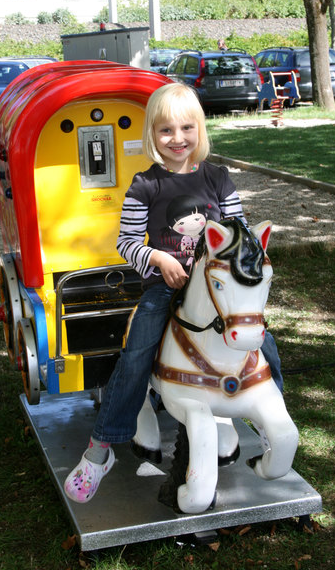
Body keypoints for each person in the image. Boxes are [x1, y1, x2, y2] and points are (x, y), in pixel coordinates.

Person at [64, 82, 283, 503]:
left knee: (264, 342)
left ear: (199, 130)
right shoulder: (145, 184)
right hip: (164, 289)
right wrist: (159, 260)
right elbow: (127, 241)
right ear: (152, 135)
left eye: (186, 128)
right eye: (166, 130)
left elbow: (240, 235)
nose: (177, 139)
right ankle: (101, 449)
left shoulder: (217, 178)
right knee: (136, 354)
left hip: (216, 291)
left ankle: (273, 421)